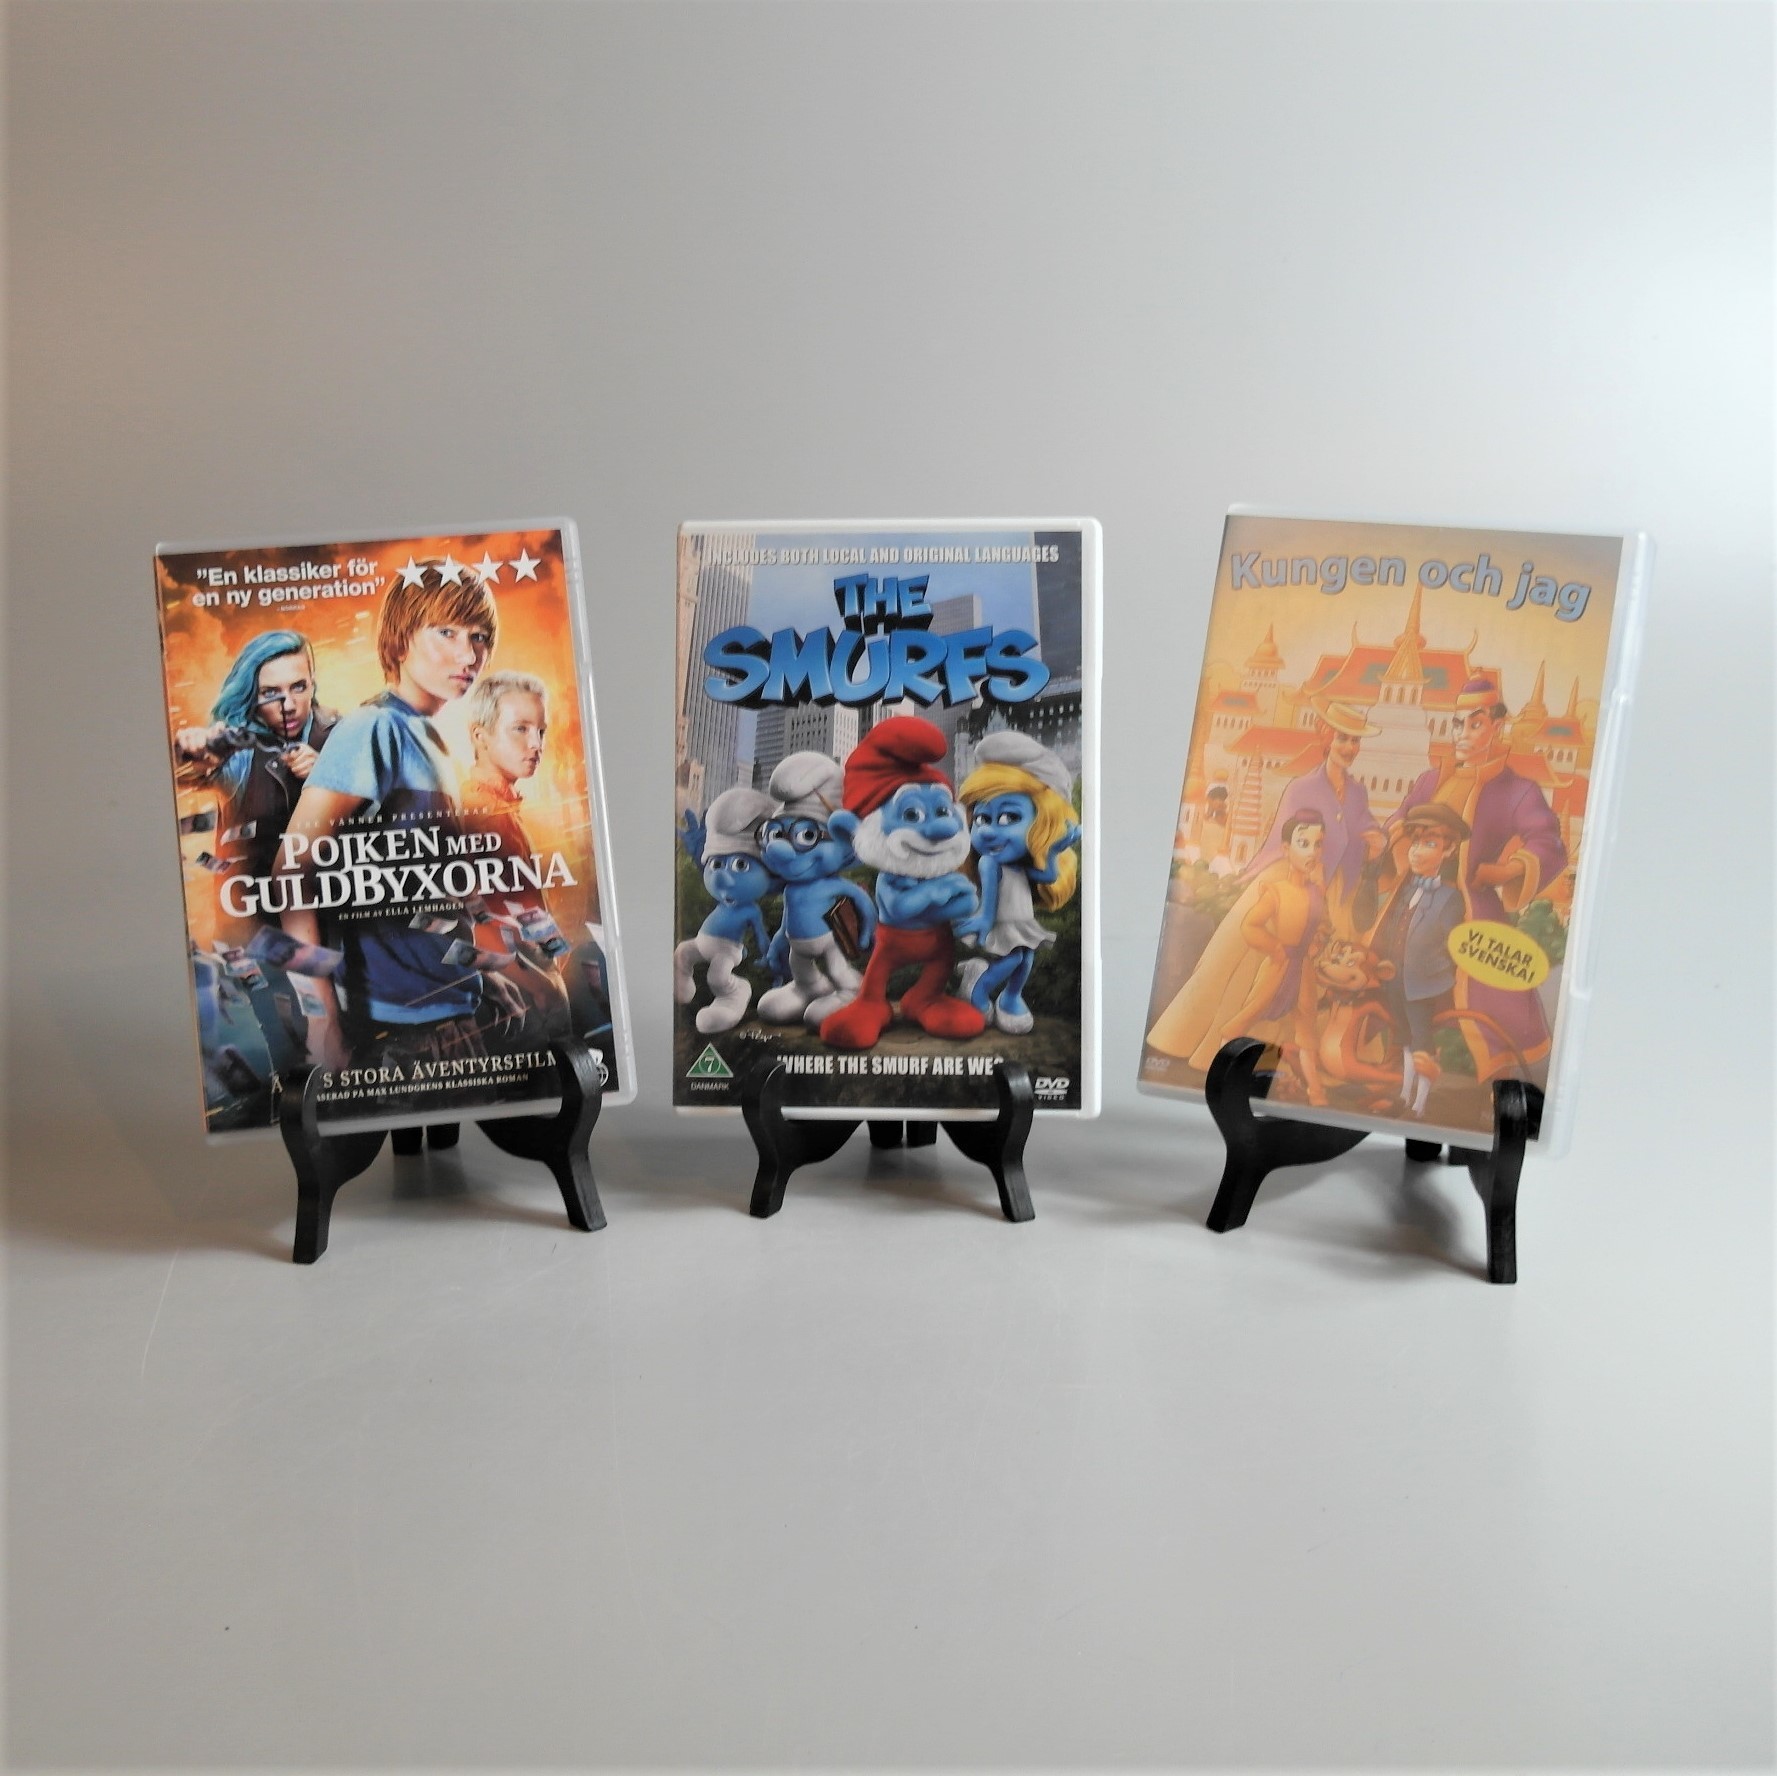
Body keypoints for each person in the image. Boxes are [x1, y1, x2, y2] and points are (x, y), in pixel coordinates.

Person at [278, 559, 523, 1072]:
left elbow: (418, 891)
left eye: (479, 637)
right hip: (397, 1034)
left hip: (447, 1013)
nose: (468, 654)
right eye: (447, 632)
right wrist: (321, 1020)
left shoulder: (433, 740)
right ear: (402, 637)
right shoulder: (373, 728)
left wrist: (475, 974)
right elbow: (290, 874)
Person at [1390, 674, 1566, 1080]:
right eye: (1458, 724)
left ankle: (1476, 1072)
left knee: (1491, 993)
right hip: (1413, 895)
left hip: (1468, 903)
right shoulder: (1432, 779)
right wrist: (1389, 838)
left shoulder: (1517, 789)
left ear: (1496, 726)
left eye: (1475, 724)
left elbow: (1547, 839)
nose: (1463, 734)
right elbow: (1401, 817)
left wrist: (1509, 869)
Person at [818, 716, 985, 1050]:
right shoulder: (893, 879)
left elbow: (968, 902)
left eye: (942, 812)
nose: (940, 830)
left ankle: (926, 998)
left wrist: (947, 896)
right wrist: (939, 893)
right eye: (911, 815)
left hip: (938, 946)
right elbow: (899, 907)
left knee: (940, 965)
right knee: (877, 975)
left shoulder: (942, 874)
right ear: (853, 831)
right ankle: (871, 1004)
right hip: (892, 947)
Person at [1144, 811, 1331, 1099]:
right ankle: (1220, 1076)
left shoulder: (1316, 892)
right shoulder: (1276, 891)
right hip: (1278, 966)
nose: (1312, 852)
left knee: (1306, 1030)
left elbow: (1321, 923)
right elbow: (1250, 925)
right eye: (1304, 843)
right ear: (1286, 849)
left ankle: (1316, 1091)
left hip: (1302, 968)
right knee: (1244, 1019)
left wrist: (1317, 940)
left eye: (1318, 844)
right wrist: (1274, 947)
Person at [173, 629, 337, 887]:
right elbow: (189, 777)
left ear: (312, 684)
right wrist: (188, 755)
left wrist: (329, 778)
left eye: (298, 687)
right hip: (256, 902)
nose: (289, 706)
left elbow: (383, 816)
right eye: (271, 693)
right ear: (252, 696)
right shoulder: (240, 749)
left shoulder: (343, 735)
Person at [460, 671, 571, 1030]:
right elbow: (467, 919)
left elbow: (523, 902)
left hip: (538, 979)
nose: (536, 744)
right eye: (520, 729)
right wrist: (540, 988)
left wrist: (554, 957)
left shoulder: (503, 807)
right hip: (519, 998)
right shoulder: (476, 813)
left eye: (541, 731)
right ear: (480, 736)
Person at [954, 731, 1081, 1035]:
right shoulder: (989, 863)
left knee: (1025, 960)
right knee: (1013, 958)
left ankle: (1011, 998)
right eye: (981, 819)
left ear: (1043, 822)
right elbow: (989, 901)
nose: (989, 831)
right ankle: (977, 988)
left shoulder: (1020, 867)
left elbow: (1047, 877)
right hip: (1003, 923)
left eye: (1010, 817)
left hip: (1023, 922)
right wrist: (983, 922)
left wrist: (1054, 850)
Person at [1240, 700, 1384, 933]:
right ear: (1328, 740)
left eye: (1355, 740)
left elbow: (1369, 831)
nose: (1349, 748)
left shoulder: (1358, 792)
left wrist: (1378, 844)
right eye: (1342, 739)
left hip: (1342, 897)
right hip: (1300, 892)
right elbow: (1280, 845)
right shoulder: (1300, 789)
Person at [755, 752, 875, 1029]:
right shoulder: (791, 890)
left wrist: (866, 935)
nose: (780, 848)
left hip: (829, 943)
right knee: (800, 972)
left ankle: (851, 990)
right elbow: (787, 920)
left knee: (838, 969)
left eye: (807, 835)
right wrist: (778, 943)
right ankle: (808, 988)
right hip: (797, 947)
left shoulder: (835, 885)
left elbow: (864, 905)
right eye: (776, 833)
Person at [1368, 802, 1470, 1088]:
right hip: (1394, 977)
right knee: (1399, 1031)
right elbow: (1392, 925)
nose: (1417, 851)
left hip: (1423, 984)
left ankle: (1421, 1094)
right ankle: (1401, 1085)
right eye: (1415, 842)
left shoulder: (1450, 898)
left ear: (1448, 850)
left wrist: (1436, 970)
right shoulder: (1405, 888)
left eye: (1429, 844)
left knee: (1420, 1037)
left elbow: (1454, 944)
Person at [673, 786, 778, 1033]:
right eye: (717, 863)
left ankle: (735, 992)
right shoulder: (723, 898)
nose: (721, 875)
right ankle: (682, 986)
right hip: (702, 942)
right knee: (682, 952)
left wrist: (767, 955)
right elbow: (710, 872)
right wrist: (699, 853)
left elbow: (761, 935)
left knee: (717, 977)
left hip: (728, 951)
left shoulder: (750, 910)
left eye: (741, 864)